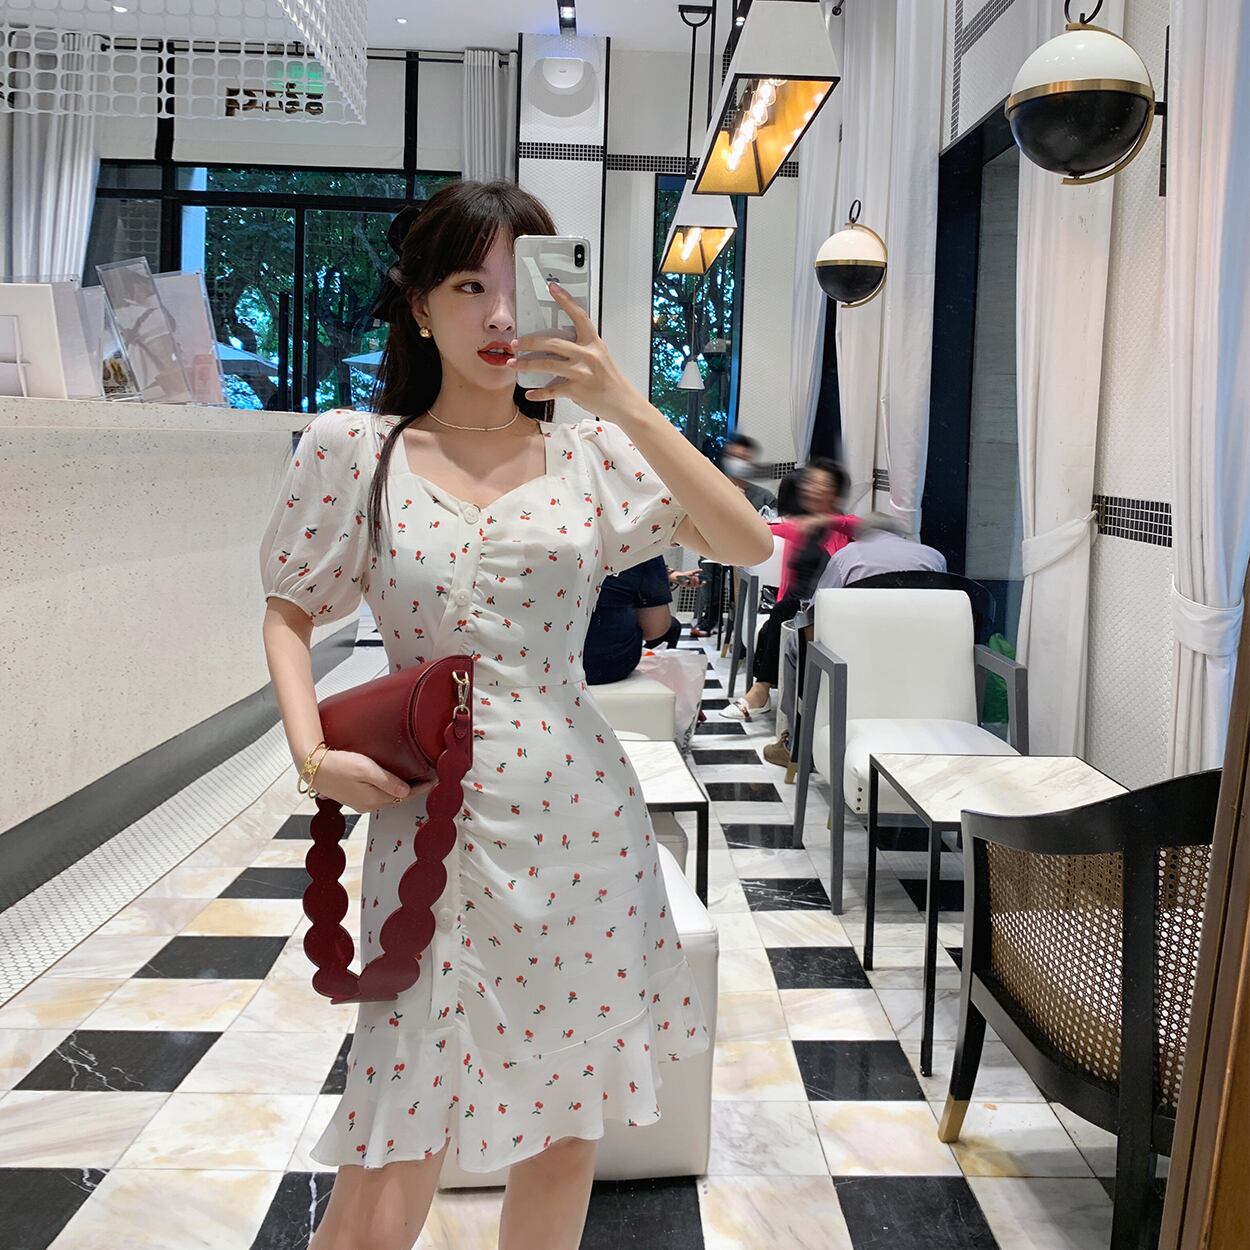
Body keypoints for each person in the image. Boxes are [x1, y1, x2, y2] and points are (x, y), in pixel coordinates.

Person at [258, 179, 772, 1250]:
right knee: (389, 1150)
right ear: (418, 306)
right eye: (467, 284)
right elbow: (289, 609)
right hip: (428, 823)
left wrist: (624, 400)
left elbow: (745, 541)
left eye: (519, 285)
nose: (499, 314)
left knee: (564, 1131)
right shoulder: (358, 450)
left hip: (580, 825)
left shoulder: (590, 455)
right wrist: (311, 755)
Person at [762, 517, 948, 766]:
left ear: (861, 536)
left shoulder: (847, 557)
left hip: (854, 657)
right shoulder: (934, 557)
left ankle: (797, 746)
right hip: (917, 657)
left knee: (794, 644)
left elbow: (817, 612)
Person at [721, 458, 855, 720]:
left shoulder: (845, 529)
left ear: (836, 493)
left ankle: (761, 693)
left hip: (827, 610)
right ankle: (761, 692)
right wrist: (736, 502)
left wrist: (825, 521)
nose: (811, 489)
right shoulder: (798, 527)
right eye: (810, 483)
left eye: (821, 484)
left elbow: (861, 526)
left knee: (784, 611)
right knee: (782, 612)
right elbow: (761, 528)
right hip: (794, 611)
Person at [690, 433, 778, 636]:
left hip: (750, 551)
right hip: (716, 545)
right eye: (735, 457)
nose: (739, 463)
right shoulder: (715, 488)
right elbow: (702, 519)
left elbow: (773, 525)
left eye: (744, 458)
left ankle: (743, 620)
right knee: (708, 563)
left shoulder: (764, 496)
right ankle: (710, 618)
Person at [583, 555, 682, 685]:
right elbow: (654, 629)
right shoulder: (642, 547)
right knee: (669, 626)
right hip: (606, 667)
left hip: (557, 665)